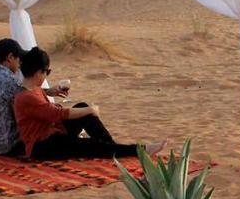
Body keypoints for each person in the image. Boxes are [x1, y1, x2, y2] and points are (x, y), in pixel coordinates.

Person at [13, 47, 161, 160]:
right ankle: (139, 150)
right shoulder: (26, 97)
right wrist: (91, 110)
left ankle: (113, 148)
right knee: (91, 144)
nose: (46, 75)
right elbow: (57, 114)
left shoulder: (33, 90)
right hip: (43, 146)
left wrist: (50, 92)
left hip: (53, 134)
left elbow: (45, 106)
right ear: (39, 72)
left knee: (82, 107)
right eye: (47, 72)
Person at [0, 38, 70, 155]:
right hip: (10, 145)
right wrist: (49, 92)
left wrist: (48, 91)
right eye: (18, 59)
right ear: (10, 57)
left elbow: (19, 94)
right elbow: (29, 97)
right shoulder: (10, 81)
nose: (20, 63)